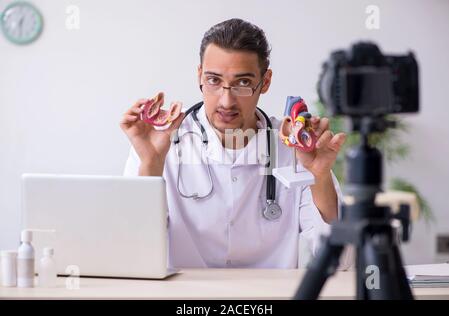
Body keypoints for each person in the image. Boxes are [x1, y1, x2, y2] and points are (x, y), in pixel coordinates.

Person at [120, 18, 347, 268]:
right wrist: (151, 164)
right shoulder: (160, 140)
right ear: (199, 76)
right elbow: (133, 254)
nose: (226, 101)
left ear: (266, 81)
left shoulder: (295, 148)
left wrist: (320, 177)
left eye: (243, 83)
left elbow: (343, 261)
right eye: (214, 81)